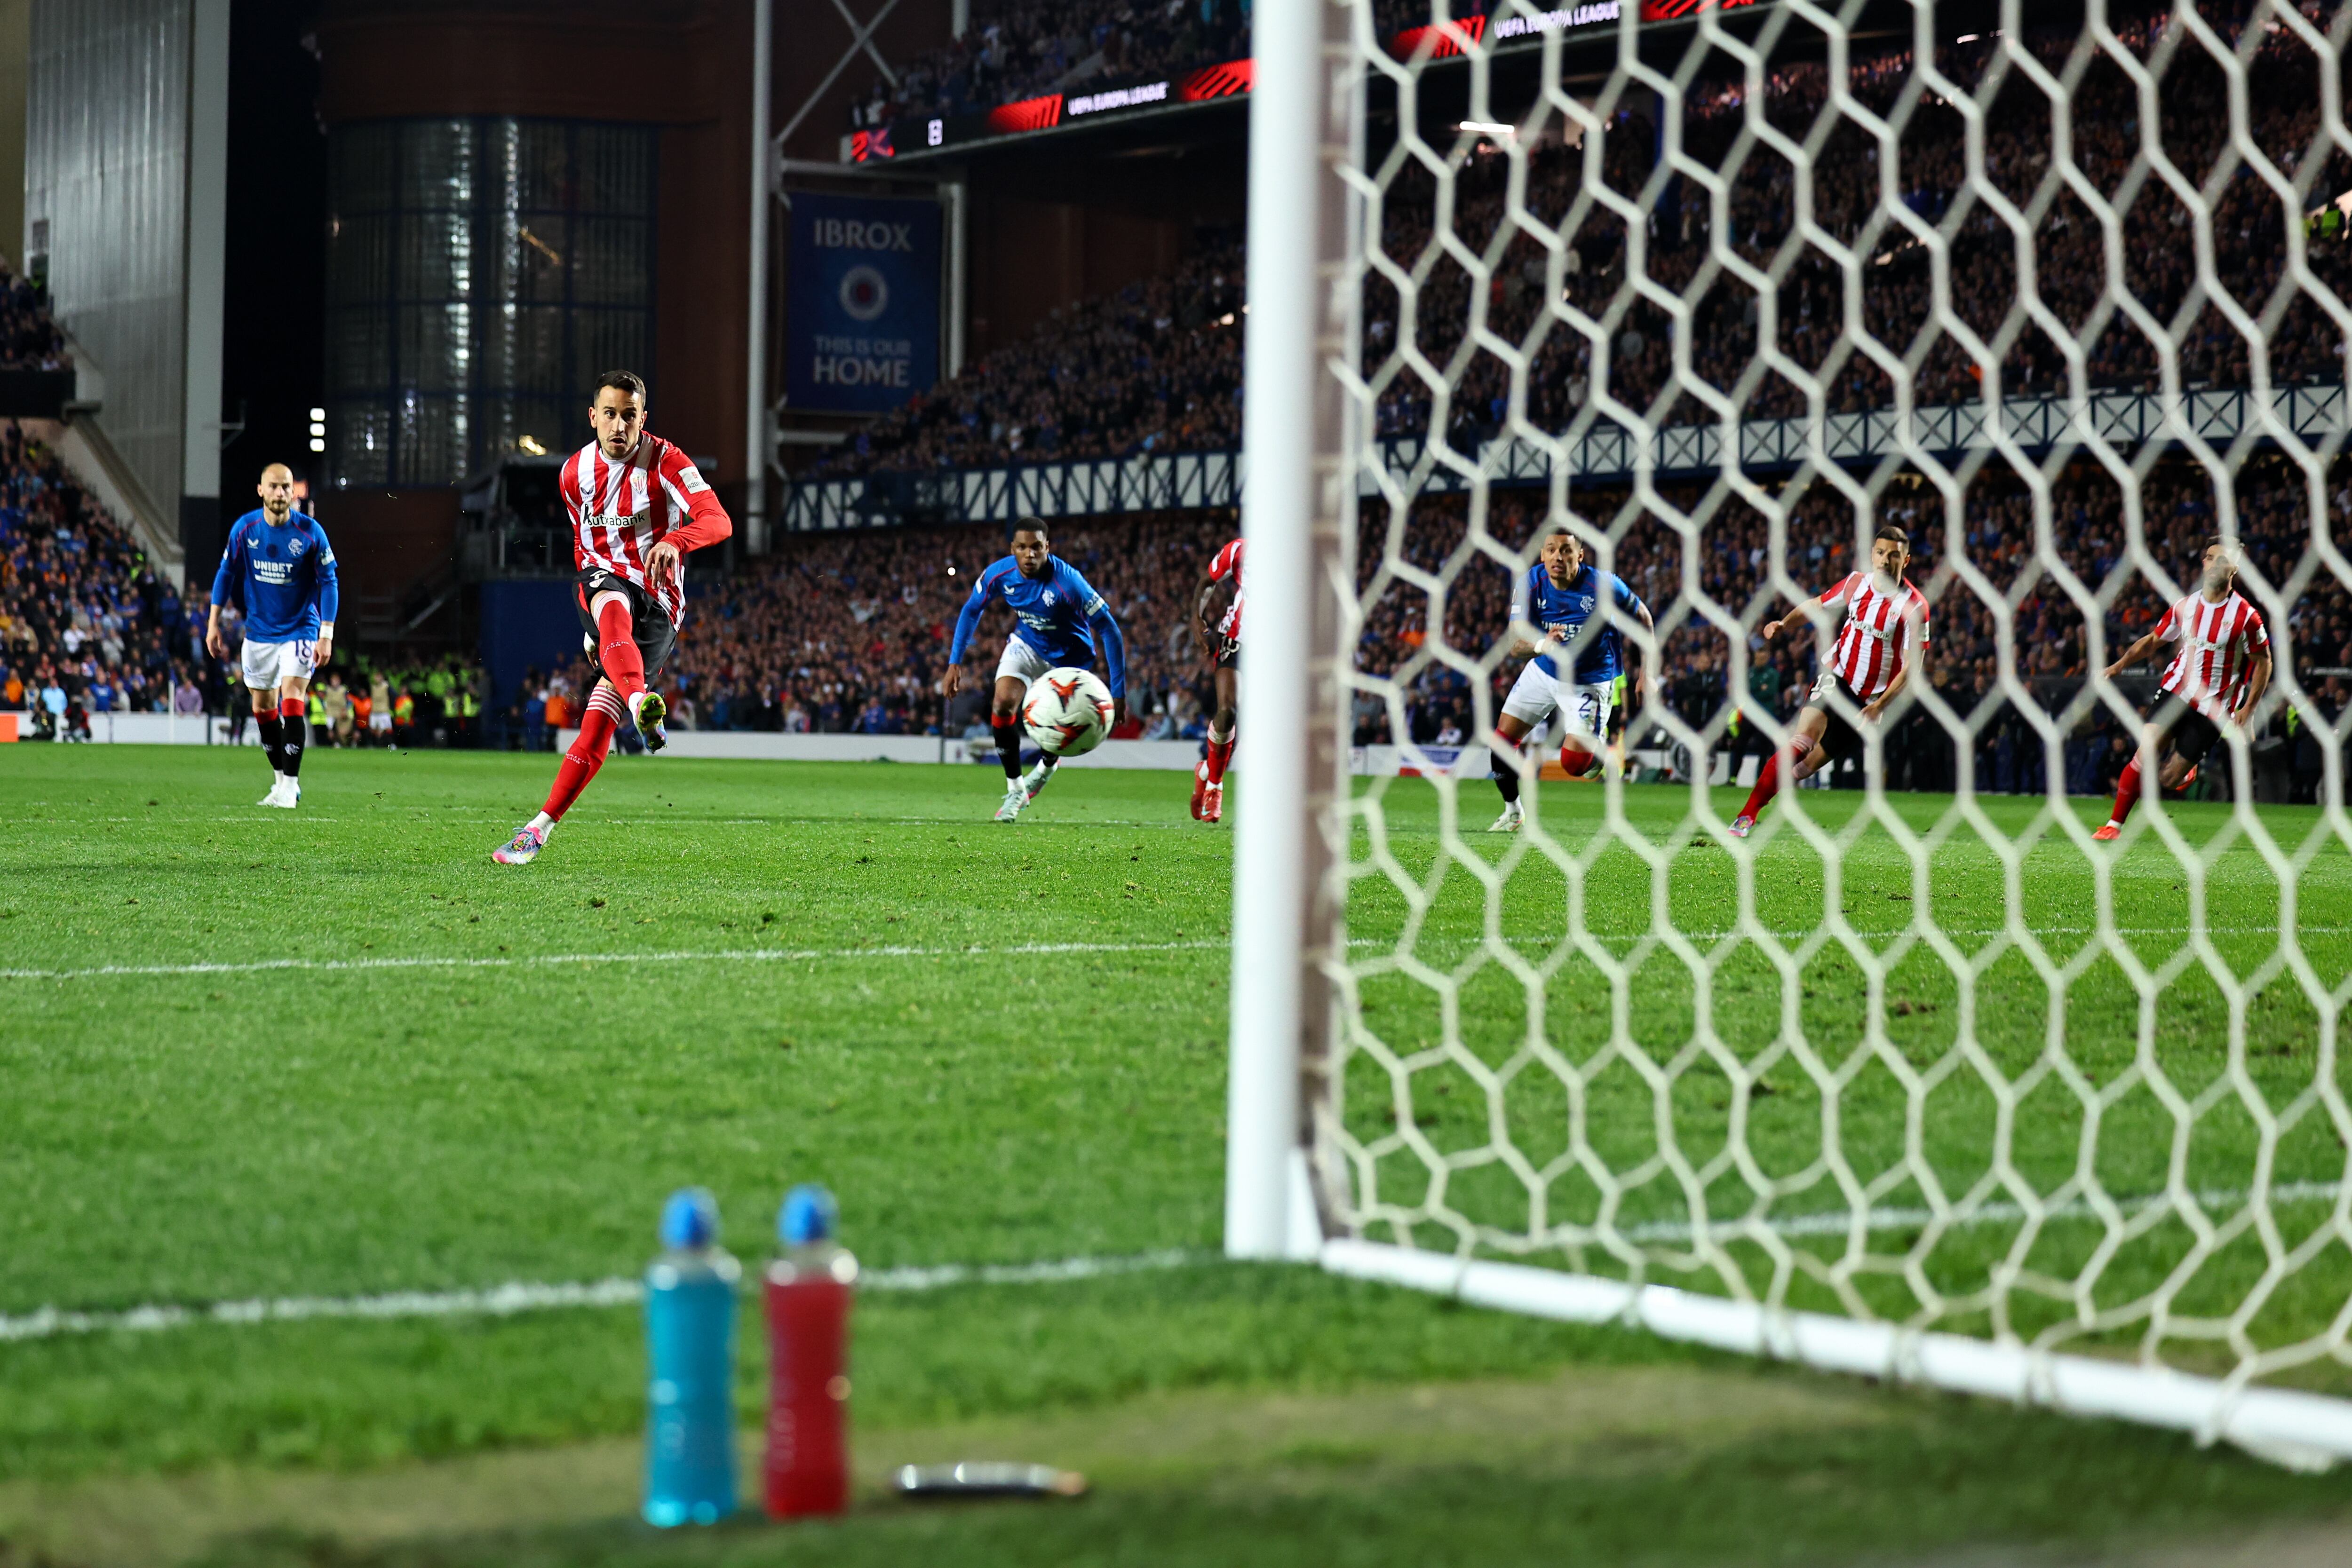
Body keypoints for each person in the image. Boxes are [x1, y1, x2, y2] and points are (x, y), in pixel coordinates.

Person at [494, 370, 731, 864]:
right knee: (609, 597)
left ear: (644, 418)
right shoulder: (571, 474)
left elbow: (718, 520)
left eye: (629, 415)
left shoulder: (668, 461)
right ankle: (537, 829)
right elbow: (586, 545)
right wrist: (600, 614)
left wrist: (675, 539)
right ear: (593, 417)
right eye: (609, 414)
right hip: (605, 586)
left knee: (598, 725)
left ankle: (544, 823)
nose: (619, 425)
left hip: (661, 604)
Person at [1730, 523, 1928, 839]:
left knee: (1805, 768)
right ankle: (1746, 816)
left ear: (1906, 561)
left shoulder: (1915, 607)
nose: (1885, 560)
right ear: (1872, 555)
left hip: (1868, 702)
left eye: (1894, 555)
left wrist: (1880, 705)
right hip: (1836, 674)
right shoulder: (1856, 584)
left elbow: (1912, 668)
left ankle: (1771, 797)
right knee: (1803, 738)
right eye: (1880, 553)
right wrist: (1785, 623)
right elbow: (1817, 604)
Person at [938, 517, 1126, 823]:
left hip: (1070, 658)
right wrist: (954, 662)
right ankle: (1015, 789)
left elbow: (1110, 630)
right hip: (1027, 645)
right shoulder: (1001, 574)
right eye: (1023, 547)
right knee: (1002, 706)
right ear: (1013, 549)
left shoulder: (1069, 583)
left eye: (1037, 547)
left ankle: (1047, 767)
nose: (1030, 554)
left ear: (1047, 548)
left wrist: (1118, 692)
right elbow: (972, 609)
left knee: (1059, 730)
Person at [2093, 539, 2273, 841]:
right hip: (2177, 689)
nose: (2214, 564)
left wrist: (2249, 708)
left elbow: (2263, 663)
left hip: (2215, 707)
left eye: (2222, 560)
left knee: (2168, 779)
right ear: (2202, 564)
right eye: (2209, 558)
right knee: (2146, 751)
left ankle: (2186, 770)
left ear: (2235, 569)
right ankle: (2114, 825)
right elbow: (2153, 641)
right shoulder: (2186, 606)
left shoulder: (2246, 617)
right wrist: (2117, 666)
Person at [1486, 524, 1654, 832]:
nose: (1557, 556)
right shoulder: (1531, 583)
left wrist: (1648, 673)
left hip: (1589, 680)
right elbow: (1515, 645)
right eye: (1551, 549)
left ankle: (1598, 749)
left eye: (1566, 550)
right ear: (1542, 554)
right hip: (1545, 670)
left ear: (1580, 555)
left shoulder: (1603, 586)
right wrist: (1543, 645)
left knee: (1575, 766)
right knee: (1500, 743)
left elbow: (1644, 616)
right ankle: (1513, 811)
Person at [206, 463, 339, 808]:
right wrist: (213, 623)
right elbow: (225, 573)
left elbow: (329, 582)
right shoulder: (245, 528)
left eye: (286, 487)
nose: (281, 493)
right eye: (274, 487)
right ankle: (281, 782)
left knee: (292, 696)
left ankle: (291, 786)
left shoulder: (310, 532)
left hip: (300, 628)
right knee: (262, 707)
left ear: (294, 491)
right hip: (260, 633)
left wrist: (326, 634)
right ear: (261, 490)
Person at [1190, 534, 1244, 824]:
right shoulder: (1239, 550)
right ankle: (1215, 788)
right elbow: (1207, 581)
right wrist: (1196, 617)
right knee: (1228, 712)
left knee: (1245, 732)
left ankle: (1206, 773)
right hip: (1237, 640)